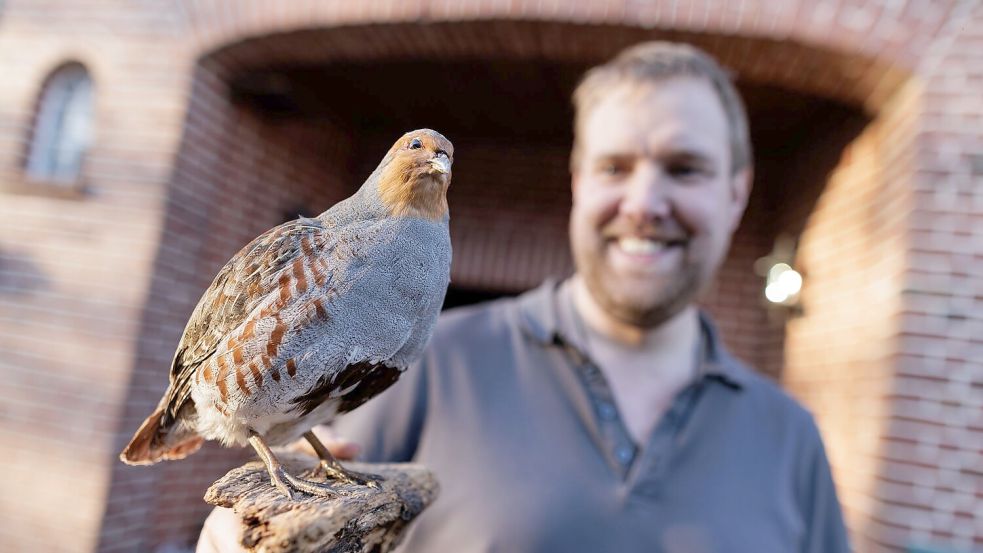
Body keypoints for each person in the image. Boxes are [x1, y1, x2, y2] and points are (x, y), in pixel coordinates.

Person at [198, 41, 851, 552]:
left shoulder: (792, 439)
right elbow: (305, 507)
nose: (645, 203)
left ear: (736, 193)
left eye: (685, 168)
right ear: (577, 180)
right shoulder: (435, 358)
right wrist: (247, 530)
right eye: (614, 166)